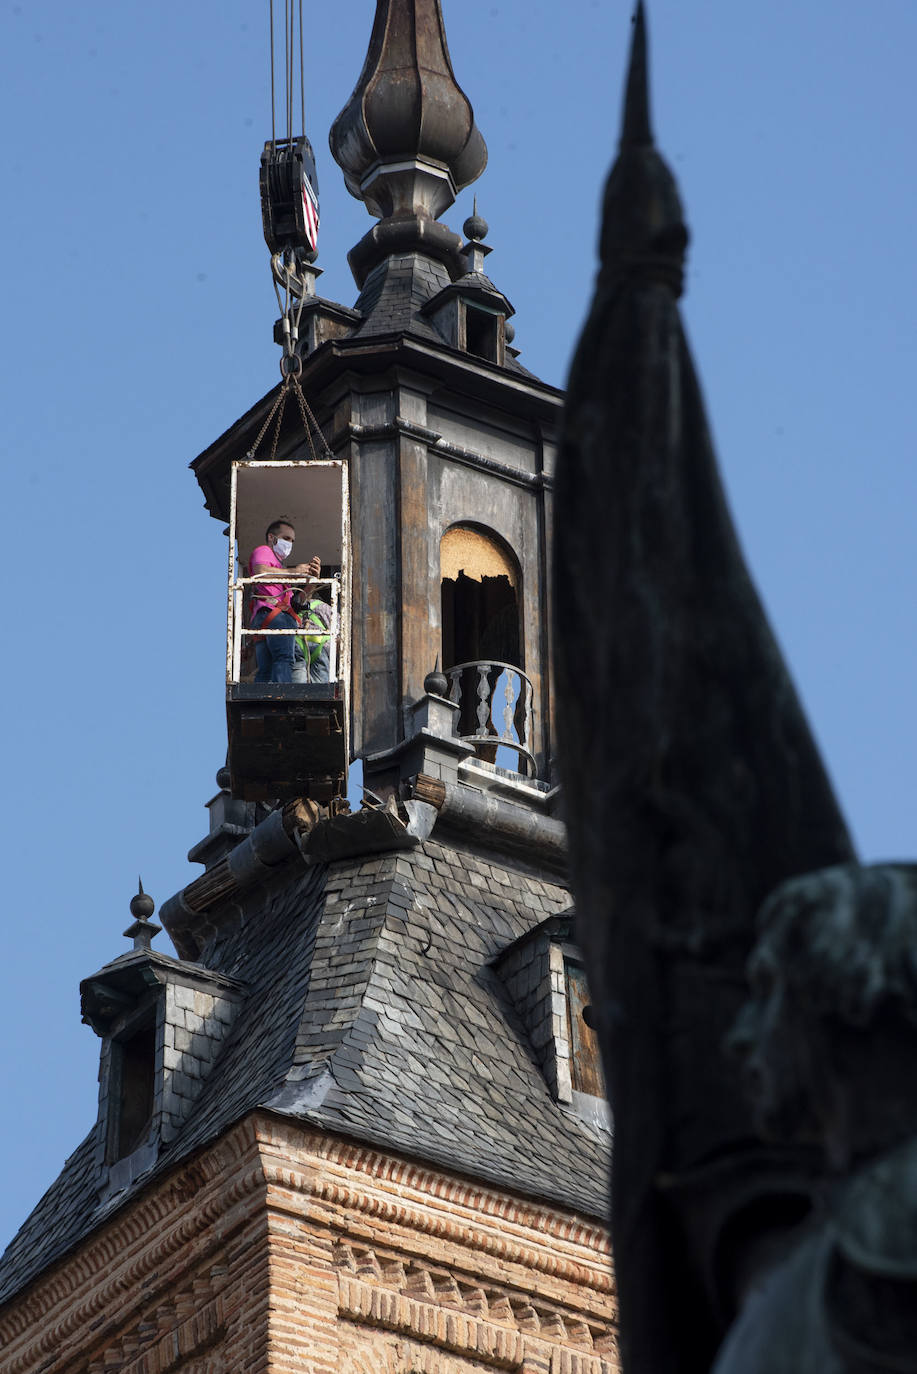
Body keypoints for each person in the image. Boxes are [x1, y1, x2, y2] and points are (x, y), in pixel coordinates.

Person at [249, 518, 320, 683]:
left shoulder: (280, 569)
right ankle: (281, 697)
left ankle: (264, 704)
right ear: (271, 538)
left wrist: (311, 581)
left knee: (266, 668)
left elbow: (296, 603)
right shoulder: (264, 551)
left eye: (292, 540)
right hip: (275, 616)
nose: (290, 543)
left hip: (267, 616)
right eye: (286, 538)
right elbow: (260, 572)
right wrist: (294, 572)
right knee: (284, 659)